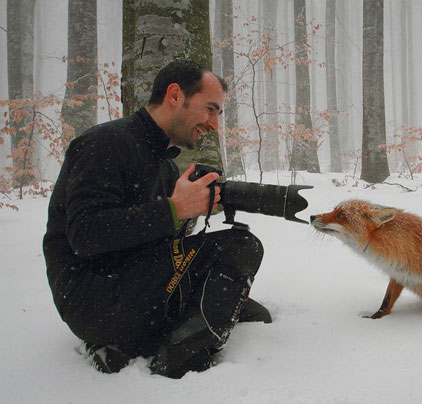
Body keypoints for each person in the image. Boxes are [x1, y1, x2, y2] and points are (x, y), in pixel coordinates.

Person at [43, 60, 271, 378]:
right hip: (94, 300)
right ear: (175, 95)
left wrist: (189, 211)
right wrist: (174, 210)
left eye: (218, 113)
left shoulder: (163, 164)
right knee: (241, 246)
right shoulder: (105, 144)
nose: (214, 124)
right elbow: (86, 235)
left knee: (234, 278)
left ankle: (182, 318)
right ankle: (179, 359)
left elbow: (152, 240)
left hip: (130, 284)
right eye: (210, 109)